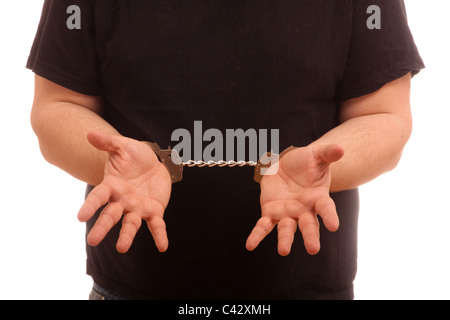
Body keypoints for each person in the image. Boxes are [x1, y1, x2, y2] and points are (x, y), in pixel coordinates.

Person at [27, 0, 424, 300]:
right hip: (132, 287)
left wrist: (325, 164)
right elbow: (57, 106)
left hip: (308, 288)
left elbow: (385, 115)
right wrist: (108, 160)